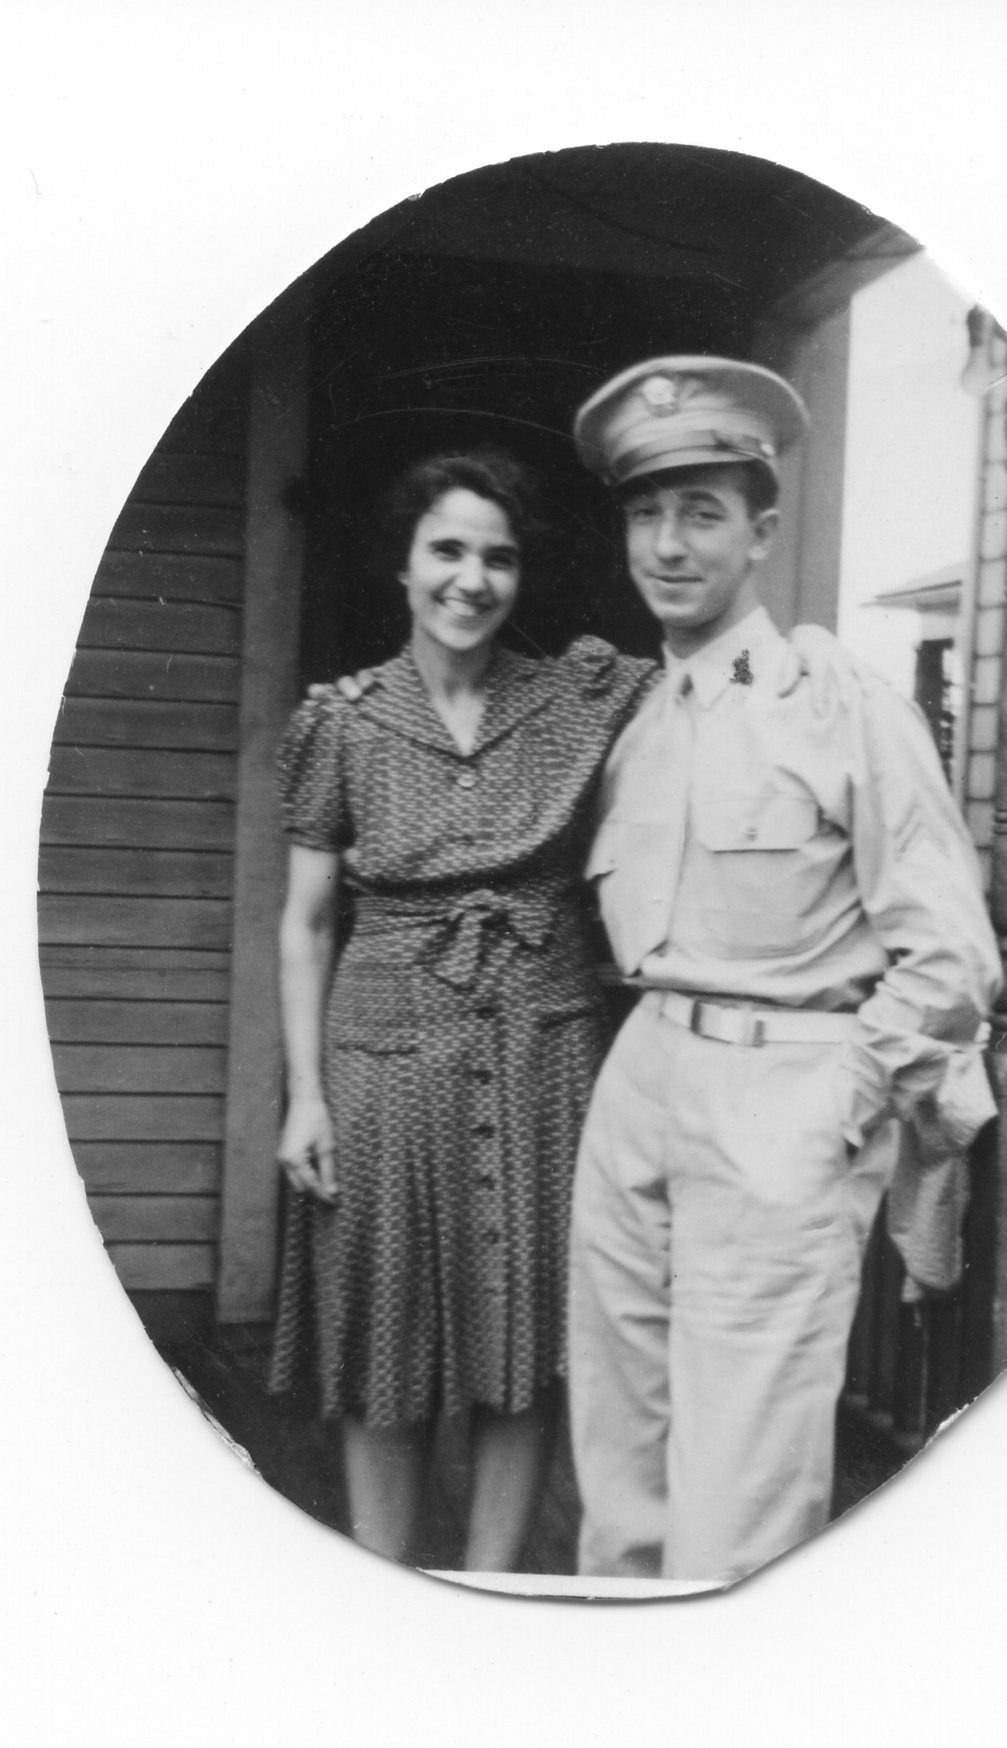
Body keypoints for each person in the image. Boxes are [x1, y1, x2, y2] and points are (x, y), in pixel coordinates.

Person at [565, 356, 1004, 1585]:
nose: (669, 544)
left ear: (760, 533)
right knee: (620, 1476)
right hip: (643, 1080)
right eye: (648, 513)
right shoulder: (641, 720)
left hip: (785, 1097)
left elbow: (949, 954)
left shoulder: (838, 700)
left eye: (702, 513)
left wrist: (842, 1104)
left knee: (738, 1506)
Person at [269, 449, 654, 1571]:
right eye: (447, 550)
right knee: (379, 1329)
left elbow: (704, 670)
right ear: (403, 566)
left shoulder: (579, 699)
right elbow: (305, 922)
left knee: (525, 1336)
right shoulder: (341, 722)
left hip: (546, 1048)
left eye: (499, 557)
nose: (472, 580)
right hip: (383, 1054)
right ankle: (383, 1583)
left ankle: (491, 1590)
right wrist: (305, 1098)